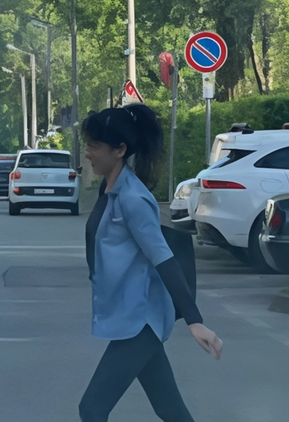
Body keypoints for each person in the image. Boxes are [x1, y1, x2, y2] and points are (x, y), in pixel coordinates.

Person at [79, 104, 223, 422]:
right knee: (171, 410)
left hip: (140, 321)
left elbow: (163, 257)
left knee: (91, 408)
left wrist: (194, 320)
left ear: (120, 150)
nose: (88, 152)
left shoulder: (133, 199)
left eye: (94, 145)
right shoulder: (109, 189)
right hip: (128, 315)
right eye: (87, 144)